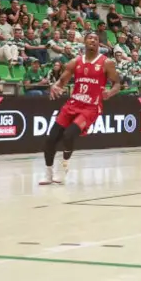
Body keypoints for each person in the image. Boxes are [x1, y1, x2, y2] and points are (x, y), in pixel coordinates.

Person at [39, 32, 120, 186]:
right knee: (51, 139)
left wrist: (110, 92)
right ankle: (48, 173)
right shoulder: (75, 61)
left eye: (96, 39)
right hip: (73, 104)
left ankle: (64, 167)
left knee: (69, 135)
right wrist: (56, 86)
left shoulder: (106, 63)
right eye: (90, 38)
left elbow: (117, 83)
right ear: (84, 41)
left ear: (98, 44)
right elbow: (62, 80)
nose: (93, 40)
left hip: (91, 107)